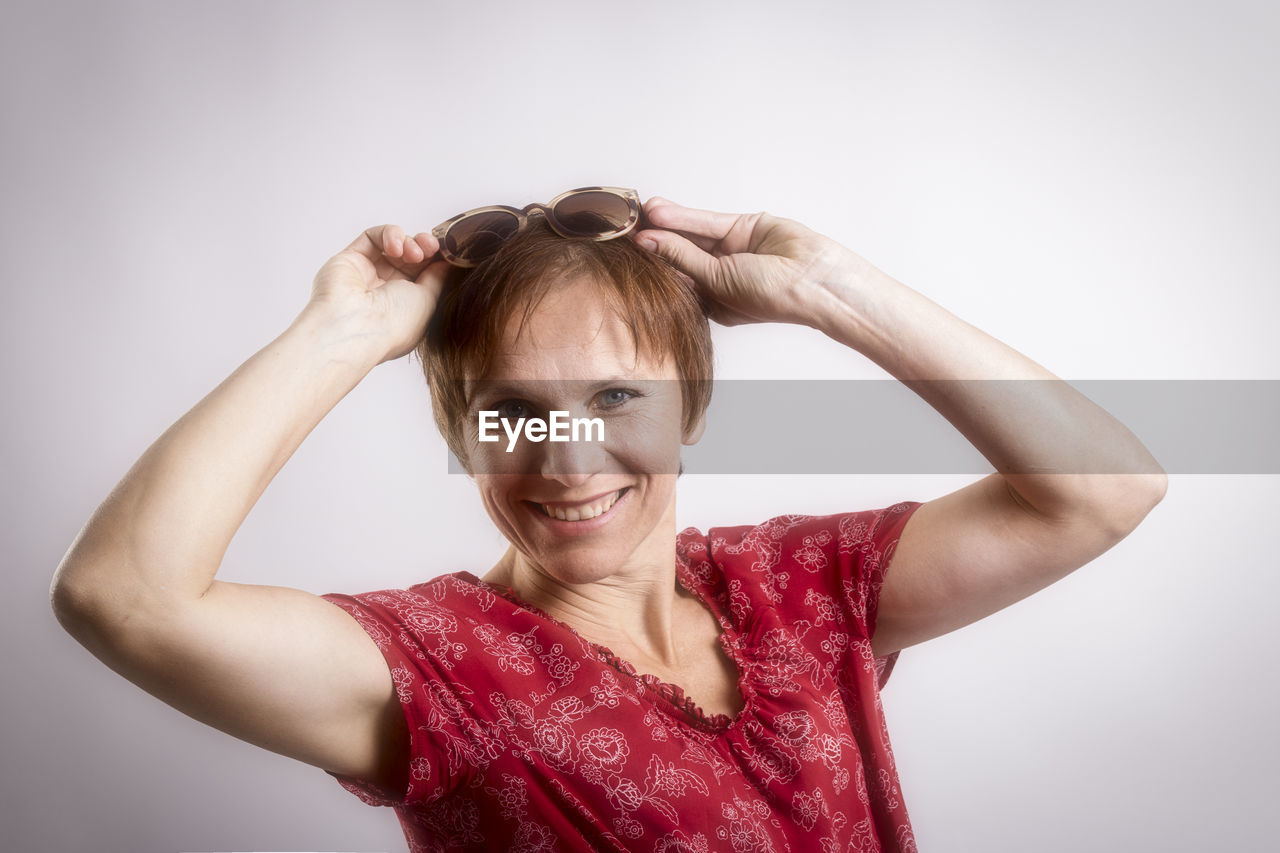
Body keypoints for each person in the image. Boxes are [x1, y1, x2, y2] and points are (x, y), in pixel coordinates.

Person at [50, 187, 1167, 852]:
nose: (568, 454)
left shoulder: (798, 588)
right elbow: (123, 597)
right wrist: (339, 335)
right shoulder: (438, 674)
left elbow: (1102, 489)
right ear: (460, 429)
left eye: (616, 399)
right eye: (511, 412)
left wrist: (828, 291)